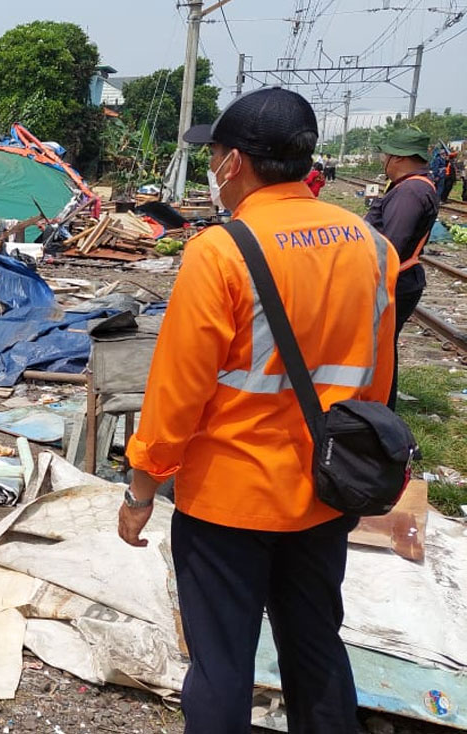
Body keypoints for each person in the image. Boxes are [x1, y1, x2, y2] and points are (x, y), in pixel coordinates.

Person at [118, 87, 398, 734]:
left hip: (229, 501)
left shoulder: (222, 252)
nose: (212, 168)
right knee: (317, 648)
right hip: (328, 491)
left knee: (220, 665)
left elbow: (177, 390)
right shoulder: (372, 247)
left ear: (234, 162)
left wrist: (141, 488)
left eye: (212, 155)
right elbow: (376, 384)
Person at [365, 127, 439, 409]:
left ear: (397, 158)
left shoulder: (410, 192)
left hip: (395, 281)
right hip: (399, 279)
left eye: (385, 154)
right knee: (382, 349)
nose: (383, 159)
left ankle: (380, 410)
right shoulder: (412, 186)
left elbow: (390, 246)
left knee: (381, 350)